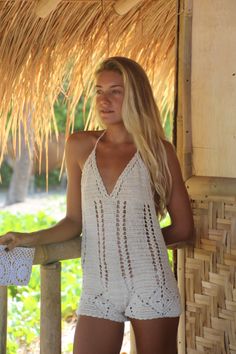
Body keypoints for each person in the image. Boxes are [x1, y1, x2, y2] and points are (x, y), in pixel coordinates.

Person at [0, 56, 194, 354]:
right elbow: (74, 221)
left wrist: (137, 246)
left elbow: (184, 229)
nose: (105, 100)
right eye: (99, 91)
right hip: (99, 287)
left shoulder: (159, 151)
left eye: (116, 91)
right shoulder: (79, 146)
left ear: (136, 95)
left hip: (151, 282)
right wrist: (29, 238)